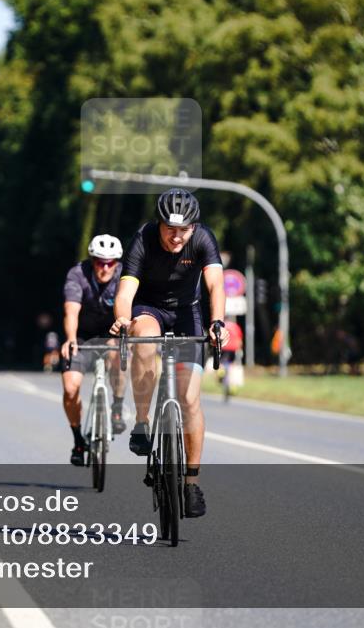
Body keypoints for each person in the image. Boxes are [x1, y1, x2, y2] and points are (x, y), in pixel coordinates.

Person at [110, 189, 229, 518]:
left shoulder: (203, 239)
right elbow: (126, 289)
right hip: (149, 308)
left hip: (188, 313)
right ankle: (142, 422)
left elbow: (216, 285)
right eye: (169, 229)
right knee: (143, 338)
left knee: (190, 399)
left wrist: (217, 322)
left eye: (183, 230)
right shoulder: (143, 239)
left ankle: (191, 483)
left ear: (194, 227)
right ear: (159, 224)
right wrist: (123, 318)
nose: (176, 237)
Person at [60, 234, 127, 466]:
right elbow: (71, 311)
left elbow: (129, 309)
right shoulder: (77, 274)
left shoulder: (124, 276)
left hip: (112, 334)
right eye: (99, 262)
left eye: (110, 263)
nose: (104, 268)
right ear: (92, 260)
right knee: (70, 388)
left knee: (118, 355)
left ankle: (117, 405)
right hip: (82, 336)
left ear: (117, 263)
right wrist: (70, 339)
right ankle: (79, 440)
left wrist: (118, 336)